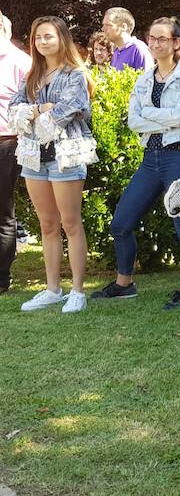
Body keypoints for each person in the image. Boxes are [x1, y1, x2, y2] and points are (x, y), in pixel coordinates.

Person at [92, 17, 180, 309]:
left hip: (178, 156)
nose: (155, 43)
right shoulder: (143, 79)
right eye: (152, 38)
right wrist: (165, 118)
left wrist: (150, 114)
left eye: (162, 38)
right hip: (150, 159)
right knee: (121, 223)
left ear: (176, 42)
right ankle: (124, 284)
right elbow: (134, 121)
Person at [13, 16, 97, 314]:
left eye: (48, 36)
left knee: (71, 223)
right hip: (35, 156)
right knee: (47, 225)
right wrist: (41, 108)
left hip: (67, 155)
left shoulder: (75, 74)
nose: (42, 42)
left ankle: (77, 291)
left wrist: (34, 112)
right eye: (38, 37)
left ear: (62, 38)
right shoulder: (32, 75)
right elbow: (14, 108)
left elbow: (72, 108)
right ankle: (52, 289)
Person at [0, 12, 32, 294]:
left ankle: (1, 278)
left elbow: (34, 104)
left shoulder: (22, 62)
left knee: (3, 212)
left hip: (6, 143)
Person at [101, 7, 152, 71]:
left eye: (108, 25)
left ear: (123, 27)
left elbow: (147, 76)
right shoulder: (116, 52)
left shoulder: (138, 49)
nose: (103, 29)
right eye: (103, 25)